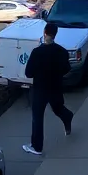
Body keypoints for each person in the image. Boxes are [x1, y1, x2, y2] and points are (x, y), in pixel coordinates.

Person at [22, 22, 74, 156]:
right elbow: (67, 68)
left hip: (40, 89)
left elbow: (28, 73)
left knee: (37, 118)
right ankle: (68, 117)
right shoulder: (61, 51)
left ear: (44, 33)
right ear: (55, 34)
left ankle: (36, 147)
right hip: (55, 87)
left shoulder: (37, 52)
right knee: (58, 108)